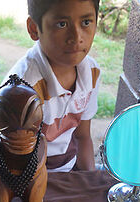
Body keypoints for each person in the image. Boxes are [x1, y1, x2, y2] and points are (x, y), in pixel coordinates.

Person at [7, 0, 100, 172]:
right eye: (62, 24)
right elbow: (17, 161)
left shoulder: (91, 72)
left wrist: (89, 180)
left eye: (86, 22)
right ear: (34, 29)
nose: (77, 37)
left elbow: (82, 136)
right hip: (28, 176)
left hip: (68, 167)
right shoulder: (22, 89)